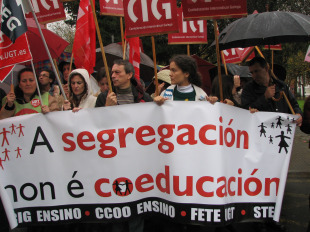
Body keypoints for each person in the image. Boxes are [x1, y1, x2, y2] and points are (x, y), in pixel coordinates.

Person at [95, 59, 151, 232]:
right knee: (117, 205)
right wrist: (106, 109)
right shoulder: (105, 97)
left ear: (129, 75)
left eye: (117, 72)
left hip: (136, 161)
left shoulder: (142, 97)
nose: (113, 76)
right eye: (112, 72)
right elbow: (95, 128)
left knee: (135, 204)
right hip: (113, 160)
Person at [241, 57, 302, 126]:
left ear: (266, 68)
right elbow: (245, 111)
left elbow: (293, 104)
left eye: (257, 71)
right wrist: (264, 98)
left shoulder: (281, 86)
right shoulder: (248, 89)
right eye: (252, 72)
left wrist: (298, 114)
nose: (254, 75)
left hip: (281, 129)